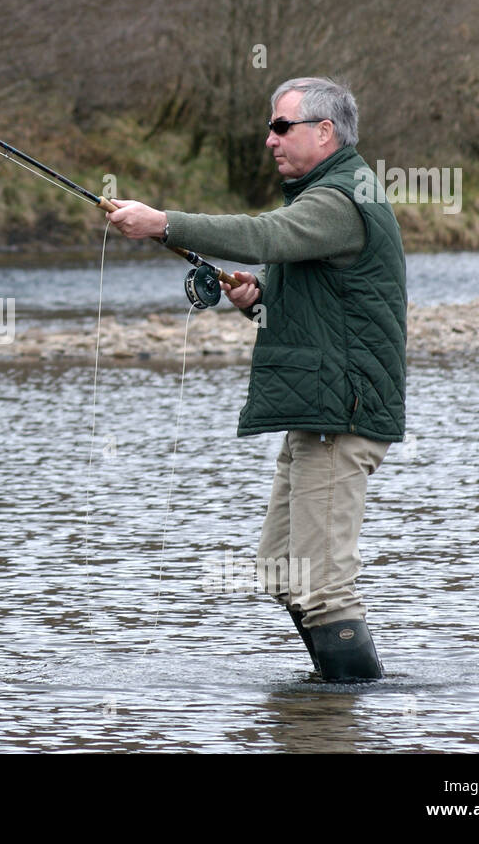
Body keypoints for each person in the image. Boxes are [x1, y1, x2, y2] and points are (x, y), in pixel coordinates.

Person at [106, 76, 407, 682]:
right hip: (316, 415)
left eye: (280, 126)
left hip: (339, 419)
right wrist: (257, 298)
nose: (268, 139)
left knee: (322, 588)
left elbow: (265, 234)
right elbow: (319, 300)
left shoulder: (340, 199)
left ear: (325, 132)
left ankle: (344, 716)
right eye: (270, 127)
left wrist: (165, 223)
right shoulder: (326, 195)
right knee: (280, 572)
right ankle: (324, 704)